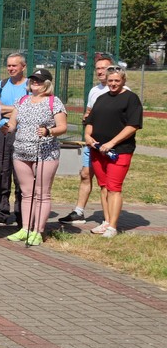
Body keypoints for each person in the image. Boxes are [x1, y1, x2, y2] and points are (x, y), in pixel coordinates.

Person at [5, 68, 67, 247]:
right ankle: (25, 228)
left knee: (42, 193)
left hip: (45, 152)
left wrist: (49, 131)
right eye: (33, 80)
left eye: (39, 80)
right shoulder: (22, 100)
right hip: (21, 152)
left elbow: (62, 126)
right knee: (26, 193)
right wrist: (7, 127)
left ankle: (37, 231)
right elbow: (13, 123)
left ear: (47, 83)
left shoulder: (54, 102)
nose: (35, 83)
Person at [60, 55, 123, 225]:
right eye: (98, 69)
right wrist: (86, 118)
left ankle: (109, 217)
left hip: (111, 145)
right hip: (92, 142)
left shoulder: (122, 91)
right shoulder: (94, 90)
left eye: (105, 68)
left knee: (108, 182)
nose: (101, 71)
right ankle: (79, 211)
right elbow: (89, 112)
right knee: (85, 174)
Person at [84, 67, 143, 238]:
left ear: (124, 80)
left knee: (114, 188)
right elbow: (90, 120)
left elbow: (132, 126)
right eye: (110, 81)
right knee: (103, 186)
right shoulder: (101, 98)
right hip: (98, 151)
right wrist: (88, 136)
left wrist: (111, 143)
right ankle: (106, 221)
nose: (113, 84)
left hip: (119, 151)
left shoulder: (131, 99)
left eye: (117, 80)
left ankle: (113, 227)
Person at [0, 53, 28, 227]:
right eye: (9, 65)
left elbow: (28, 109)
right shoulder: (1, 85)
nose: (11, 68)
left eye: (15, 65)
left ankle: (22, 214)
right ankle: (0, 211)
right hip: (1, 133)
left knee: (21, 176)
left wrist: (9, 110)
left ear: (23, 67)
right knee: (1, 173)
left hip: (22, 134)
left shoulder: (29, 86)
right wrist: (15, 109)